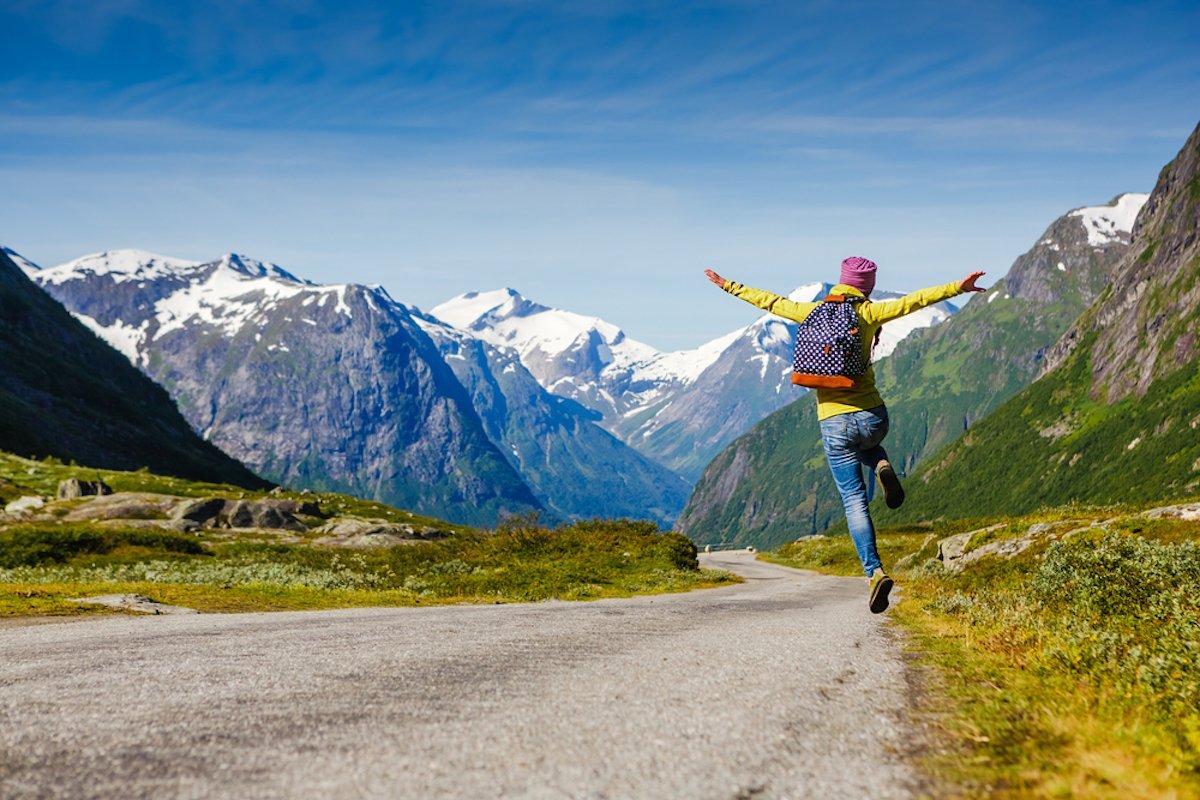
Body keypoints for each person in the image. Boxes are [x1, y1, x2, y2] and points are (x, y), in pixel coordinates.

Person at [704, 257, 986, 613]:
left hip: (833, 424)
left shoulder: (809, 311)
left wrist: (729, 285)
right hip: (872, 417)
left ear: (841, 282)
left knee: (854, 501)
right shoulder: (868, 315)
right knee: (870, 444)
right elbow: (915, 300)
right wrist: (958, 288)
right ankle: (881, 462)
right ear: (865, 286)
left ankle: (875, 573)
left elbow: (769, 301)